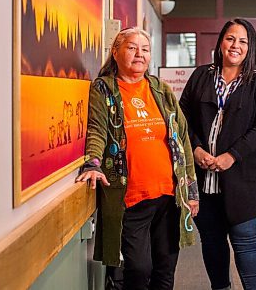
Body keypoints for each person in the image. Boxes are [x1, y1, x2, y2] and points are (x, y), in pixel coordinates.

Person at [75, 27, 199, 290]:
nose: (139, 54)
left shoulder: (160, 89)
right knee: (139, 269)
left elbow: (182, 139)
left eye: (144, 49)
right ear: (116, 51)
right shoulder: (104, 89)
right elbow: (97, 129)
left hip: (168, 195)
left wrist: (191, 191)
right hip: (131, 198)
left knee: (166, 269)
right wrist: (93, 163)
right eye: (132, 47)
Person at [179, 18, 256, 290]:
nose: (235, 45)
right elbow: (182, 117)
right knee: (211, 240)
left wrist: (231, 155)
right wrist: (195, 148)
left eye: (243, 41)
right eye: (230, 38)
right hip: (204, 179)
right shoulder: (201, 75)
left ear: (251, 47)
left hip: (244, 180)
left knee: (246, 241)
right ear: (221, 42)